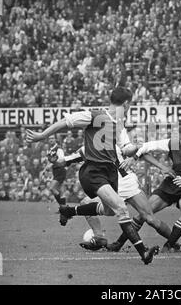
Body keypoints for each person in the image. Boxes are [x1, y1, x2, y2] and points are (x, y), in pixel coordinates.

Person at [26, 87, 159, 265]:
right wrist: (42, 135)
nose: (130, 107)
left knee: (110, 211)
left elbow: (125, 148)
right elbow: (67, 121)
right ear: (126, 104)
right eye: (131, 104)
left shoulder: (118, 124)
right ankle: (143, 253)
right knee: (121, 207)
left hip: (110, 173)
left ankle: (69, 211)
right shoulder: (94, 115)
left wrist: (136, 146)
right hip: (94, 171)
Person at [106, 123, 181, 253]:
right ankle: (118, 243)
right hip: (171, 184)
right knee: (143, 214)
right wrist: (134, 158)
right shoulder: (174, 143)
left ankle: (169, 245)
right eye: (180, 139)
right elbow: (146, 146)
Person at [65, 133, 174, 252]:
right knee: (149, 218)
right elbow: (130, 150)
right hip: (121, 184)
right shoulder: (113, 145)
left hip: (120, 184)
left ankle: (173, 242)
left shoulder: (89, 149)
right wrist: (136, 150)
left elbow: (68, 160)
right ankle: (99, 237)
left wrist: (58, 159)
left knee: (149, 219)